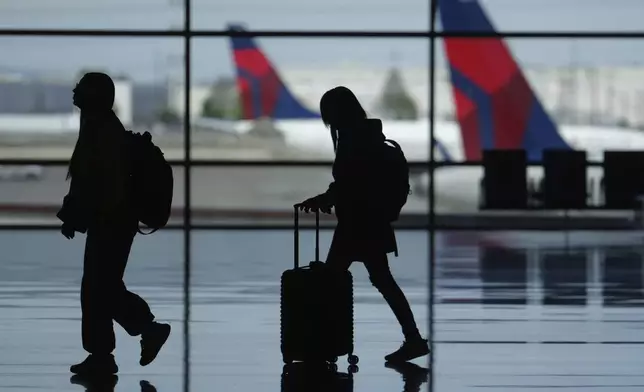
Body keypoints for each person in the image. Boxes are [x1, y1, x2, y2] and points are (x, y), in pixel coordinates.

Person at [295, 86, 429, 362]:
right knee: (380, 280)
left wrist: (326, 198)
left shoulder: (353, 140)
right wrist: (330, 197)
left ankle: (321, 343)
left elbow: (351, 183)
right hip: (371, 221)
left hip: (358, 224)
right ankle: (412, 338)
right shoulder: (367, 135)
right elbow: (354, 182)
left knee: (332, 281)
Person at [58, 72, 171, 375]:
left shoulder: (100, 130)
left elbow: (95, 183)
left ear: (92, 96)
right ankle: (109, 350)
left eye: (80, 88)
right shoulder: (100, 125)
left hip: (111, 220)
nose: (74, 93)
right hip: (114, 220)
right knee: (101, 286)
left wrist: (75, 216)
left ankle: (136, 335)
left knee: (99, 288)